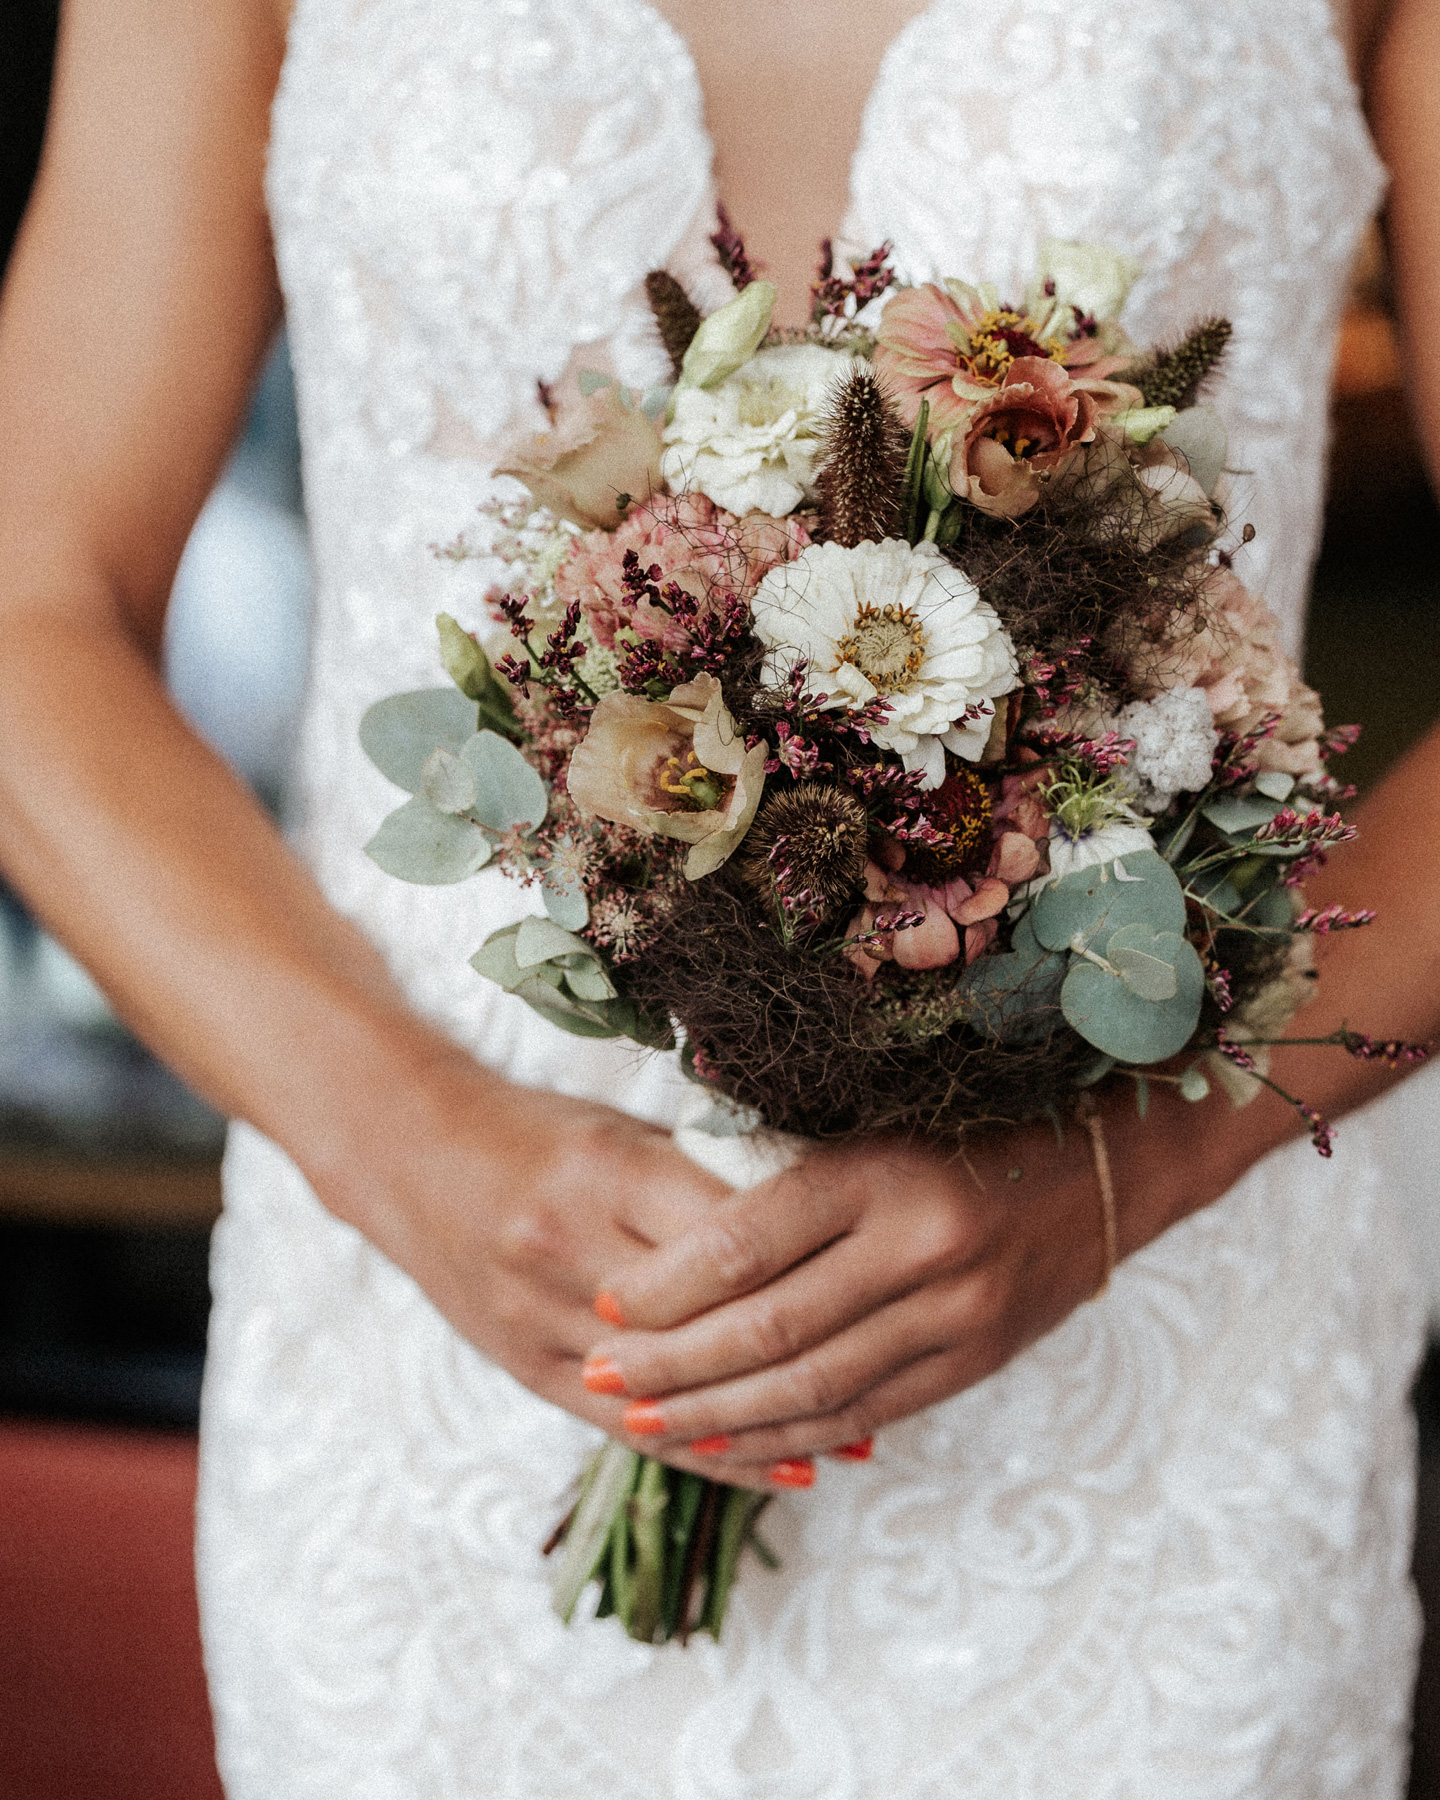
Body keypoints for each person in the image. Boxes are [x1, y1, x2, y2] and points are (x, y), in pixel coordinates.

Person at [2, 0, 1438, 1791]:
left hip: (1150, 1361)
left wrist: (1114, 1178)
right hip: (454, 1334)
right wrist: (414, 1140)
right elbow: (29, 603)